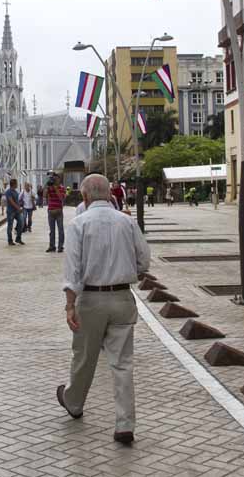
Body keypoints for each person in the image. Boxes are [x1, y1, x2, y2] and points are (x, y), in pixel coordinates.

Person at [57, 173, 151, 445]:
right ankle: (124, 424)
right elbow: (144, 261)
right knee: (122, 364)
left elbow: (73, 271)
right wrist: (125, 270)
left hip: (91, 300)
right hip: (122, 298)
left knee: (84, 357)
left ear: (85, 196)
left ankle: (74, 403)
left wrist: (70, 305)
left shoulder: (78, 224)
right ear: (110, 194)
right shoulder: (127, 222)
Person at [46, 174, 67, 252]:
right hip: (50, 211)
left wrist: (56, 189)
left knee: (60, 229)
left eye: (56, 179)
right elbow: (44, 196)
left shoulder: (62, 188)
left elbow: (61, 198)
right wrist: (46, 186)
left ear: (59, 180)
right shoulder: (50, 188)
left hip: (58, 211)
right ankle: (52, 246)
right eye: (54, 179)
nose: (55, 181)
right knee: (52, 230)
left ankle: (60, 246)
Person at [5, 179, 25, 246]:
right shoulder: (8, 192)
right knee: (10, 226)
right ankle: (10, 240)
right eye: (16, 183)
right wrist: (18, 208)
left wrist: (20, 205)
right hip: (11, 211)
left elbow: (17, 201)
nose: (17, 184)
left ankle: (18, 238)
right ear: (13, 184)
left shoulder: (16, 192)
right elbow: (11, 201)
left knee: (21, 223)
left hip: (17, 211)